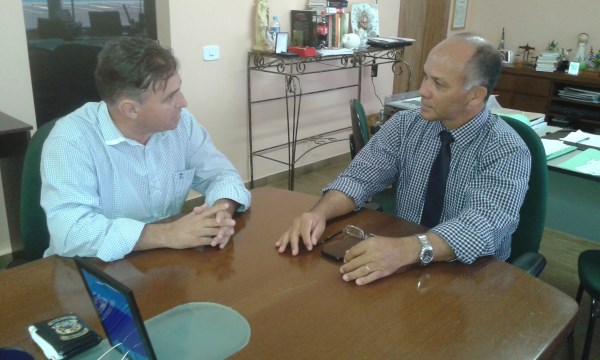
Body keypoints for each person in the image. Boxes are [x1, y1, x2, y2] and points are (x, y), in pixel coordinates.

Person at [275, 33, 531, 285]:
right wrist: (318, 213)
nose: (423, 90)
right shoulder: (405, 125)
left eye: (438, 84)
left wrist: (406, 250)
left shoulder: (506, 150)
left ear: (475, 95)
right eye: (425, 76)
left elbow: (481, 226)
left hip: (469, 277)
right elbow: (359, 178)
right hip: (405, 265)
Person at [41, 36, 251, 262]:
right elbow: (71, 231)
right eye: (170, 97)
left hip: (166, 265)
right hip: (90, 273)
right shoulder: (71, 141)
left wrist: (220, 212)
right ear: (130, 109)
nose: (183, 102)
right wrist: (168, 234)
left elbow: (222, 175)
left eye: (178, 89)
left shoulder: (182, 124)